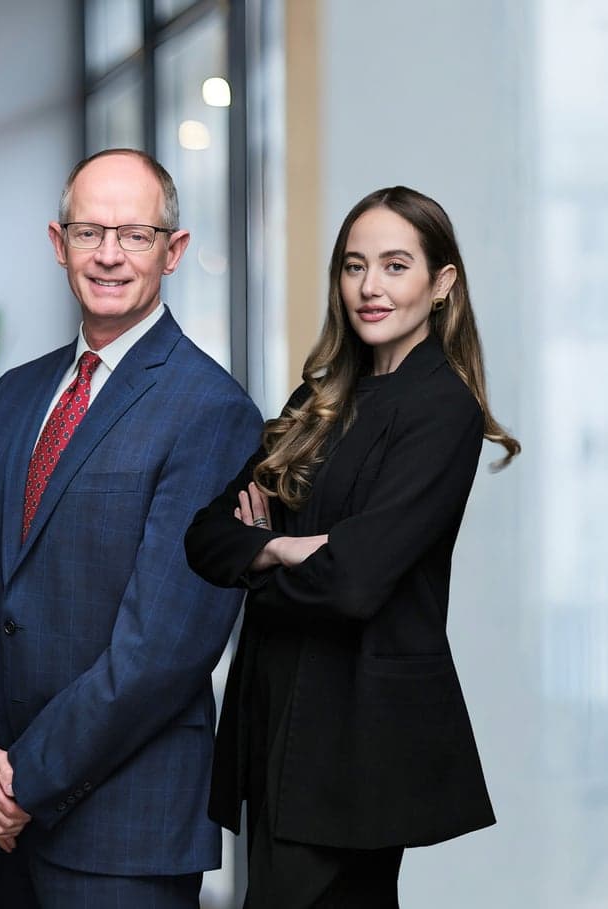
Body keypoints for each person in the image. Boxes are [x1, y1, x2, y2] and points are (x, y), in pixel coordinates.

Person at [0, 149, 260, 907]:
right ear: (59, 244)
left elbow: (163, 649)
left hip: (124, 828)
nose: (110, 254)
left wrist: (27, 777)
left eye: (135, 234)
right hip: (0, 812)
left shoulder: (211, 412)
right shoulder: (19, 396)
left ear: (173, 251)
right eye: (89, 233)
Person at [184, 186, 515, 907]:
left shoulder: (442, 409)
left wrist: (271, 548)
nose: (370, 287)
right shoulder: (320, 399)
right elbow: (207, 535)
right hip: (276, 707)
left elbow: (355, 581)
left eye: (396, 266)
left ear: (441, 283)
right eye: (354, 265)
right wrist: (281, 550)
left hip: (356, 733)